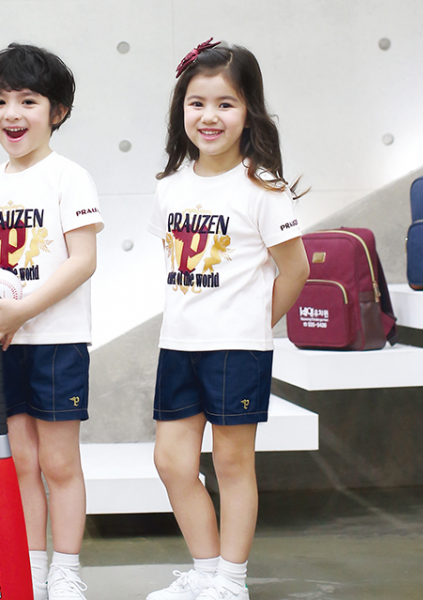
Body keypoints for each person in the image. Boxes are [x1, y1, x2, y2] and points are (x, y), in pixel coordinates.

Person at [145, 39, 310, 600]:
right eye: (197, 103)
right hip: (178, 345)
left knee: (232, 464)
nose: (209, 116)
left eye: (225, 103)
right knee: (171, 462)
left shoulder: (263, 188)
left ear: (249, 111)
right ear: (181, 110)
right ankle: (205, 571)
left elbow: (296, 269)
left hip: (237, 349)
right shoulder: (169, 187)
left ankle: (231, 582)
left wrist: (251, 324)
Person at [0, 42, 103, 600]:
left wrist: (22, 310)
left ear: (57, 111)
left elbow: (83, 261)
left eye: (27, 100)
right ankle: (32, 570)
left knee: (59, 463)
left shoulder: (69, 177)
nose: (11, 114)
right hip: (2, 343)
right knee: (22, 462)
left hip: (57, 342)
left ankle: (66, 571)